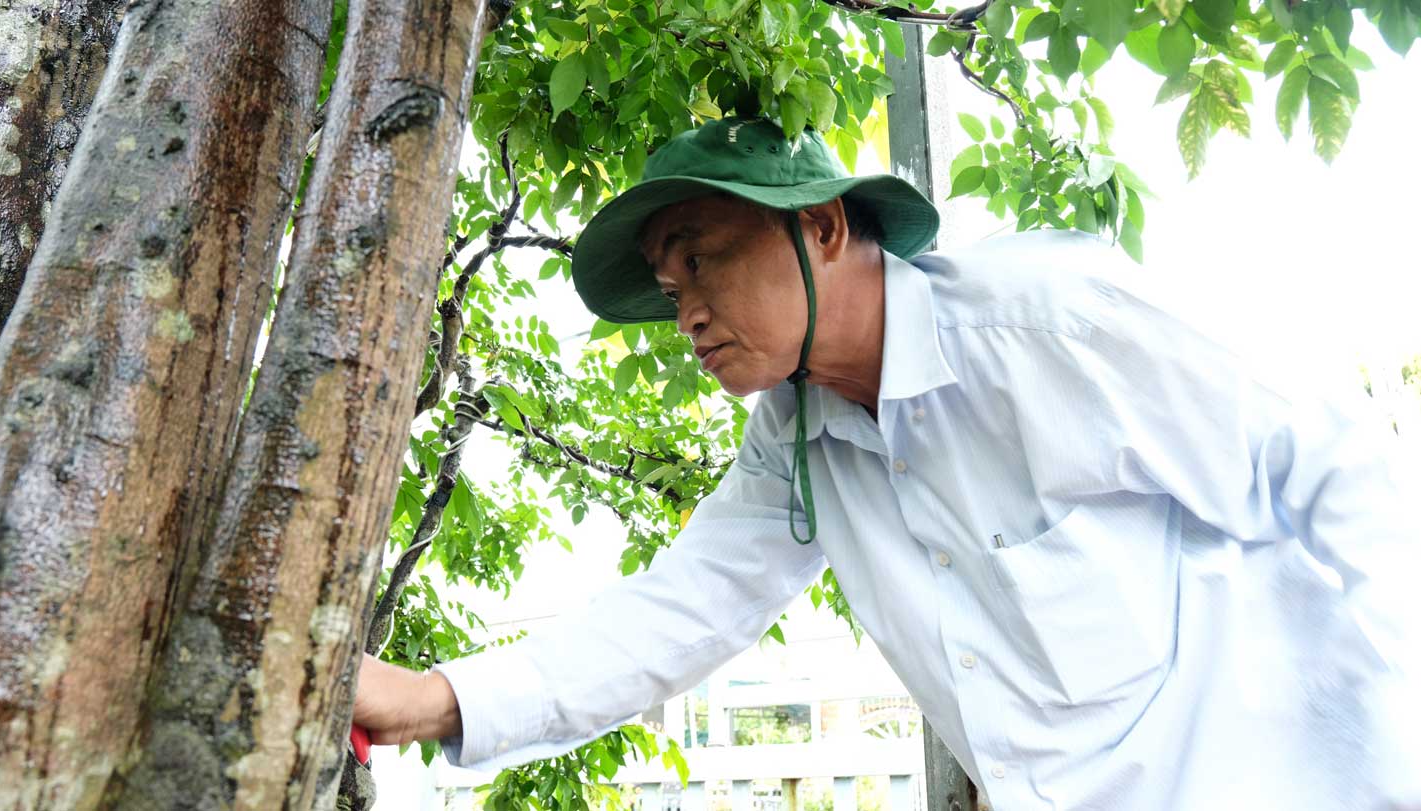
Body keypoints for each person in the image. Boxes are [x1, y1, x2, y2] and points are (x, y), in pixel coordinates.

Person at [353, 117, 1419, 809]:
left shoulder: (1046, 323)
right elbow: (678, 612)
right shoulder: (794, 440)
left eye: (699, 257)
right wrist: (434, 696)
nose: (683, 310)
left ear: (818, 228)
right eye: (666, 286)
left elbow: (1335, 467)